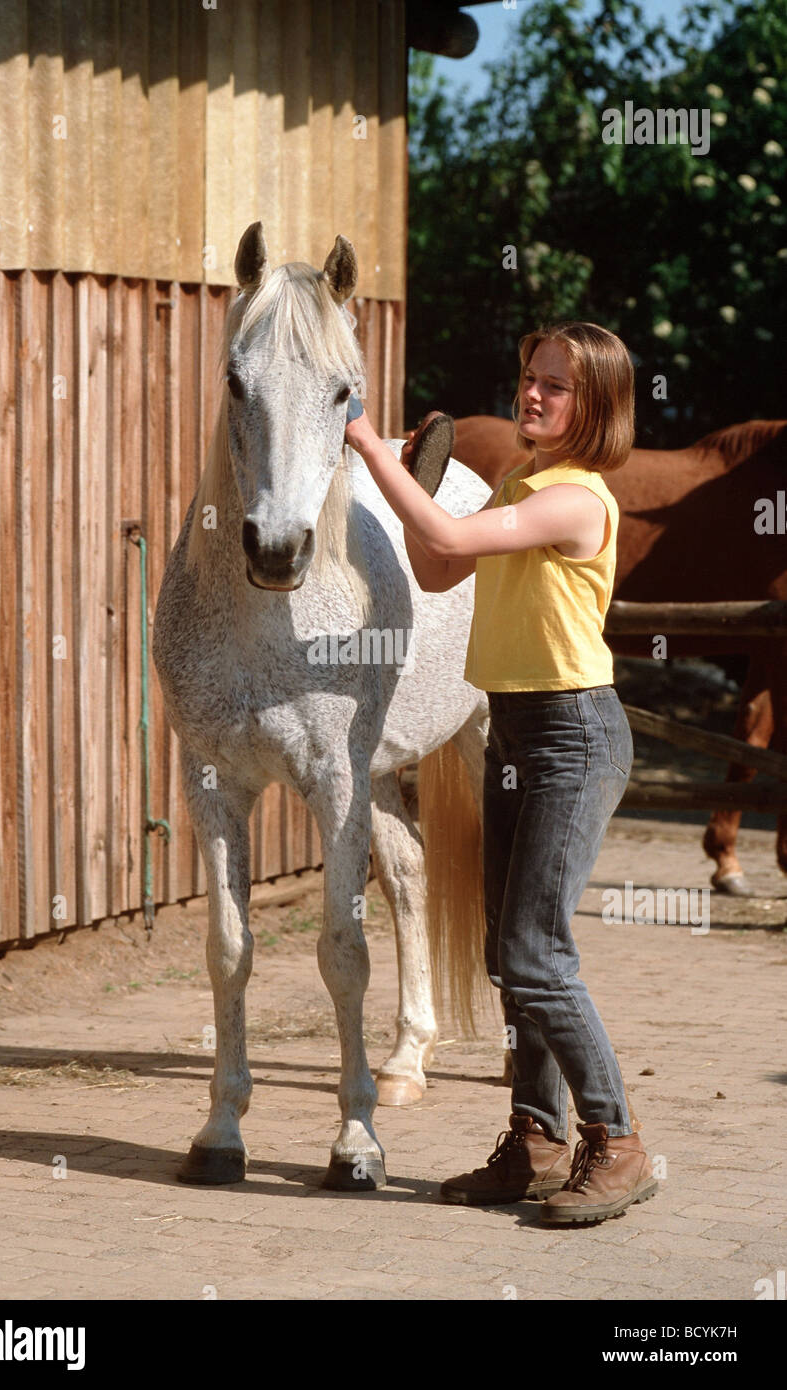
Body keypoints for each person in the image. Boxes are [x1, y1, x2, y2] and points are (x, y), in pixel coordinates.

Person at [343, 321, 658, 1226]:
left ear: (594, 405)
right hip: (517, 729)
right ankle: (534, 1141)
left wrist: (371, 450)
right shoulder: (522, 481)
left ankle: (618, 1140)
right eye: (528, 376)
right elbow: (438, 566)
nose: (532, 392)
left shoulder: (577, 498)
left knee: (534, 953)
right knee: (506, 955)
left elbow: (442, 530)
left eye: (554, 386)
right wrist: (421, 483)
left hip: (572, 733)